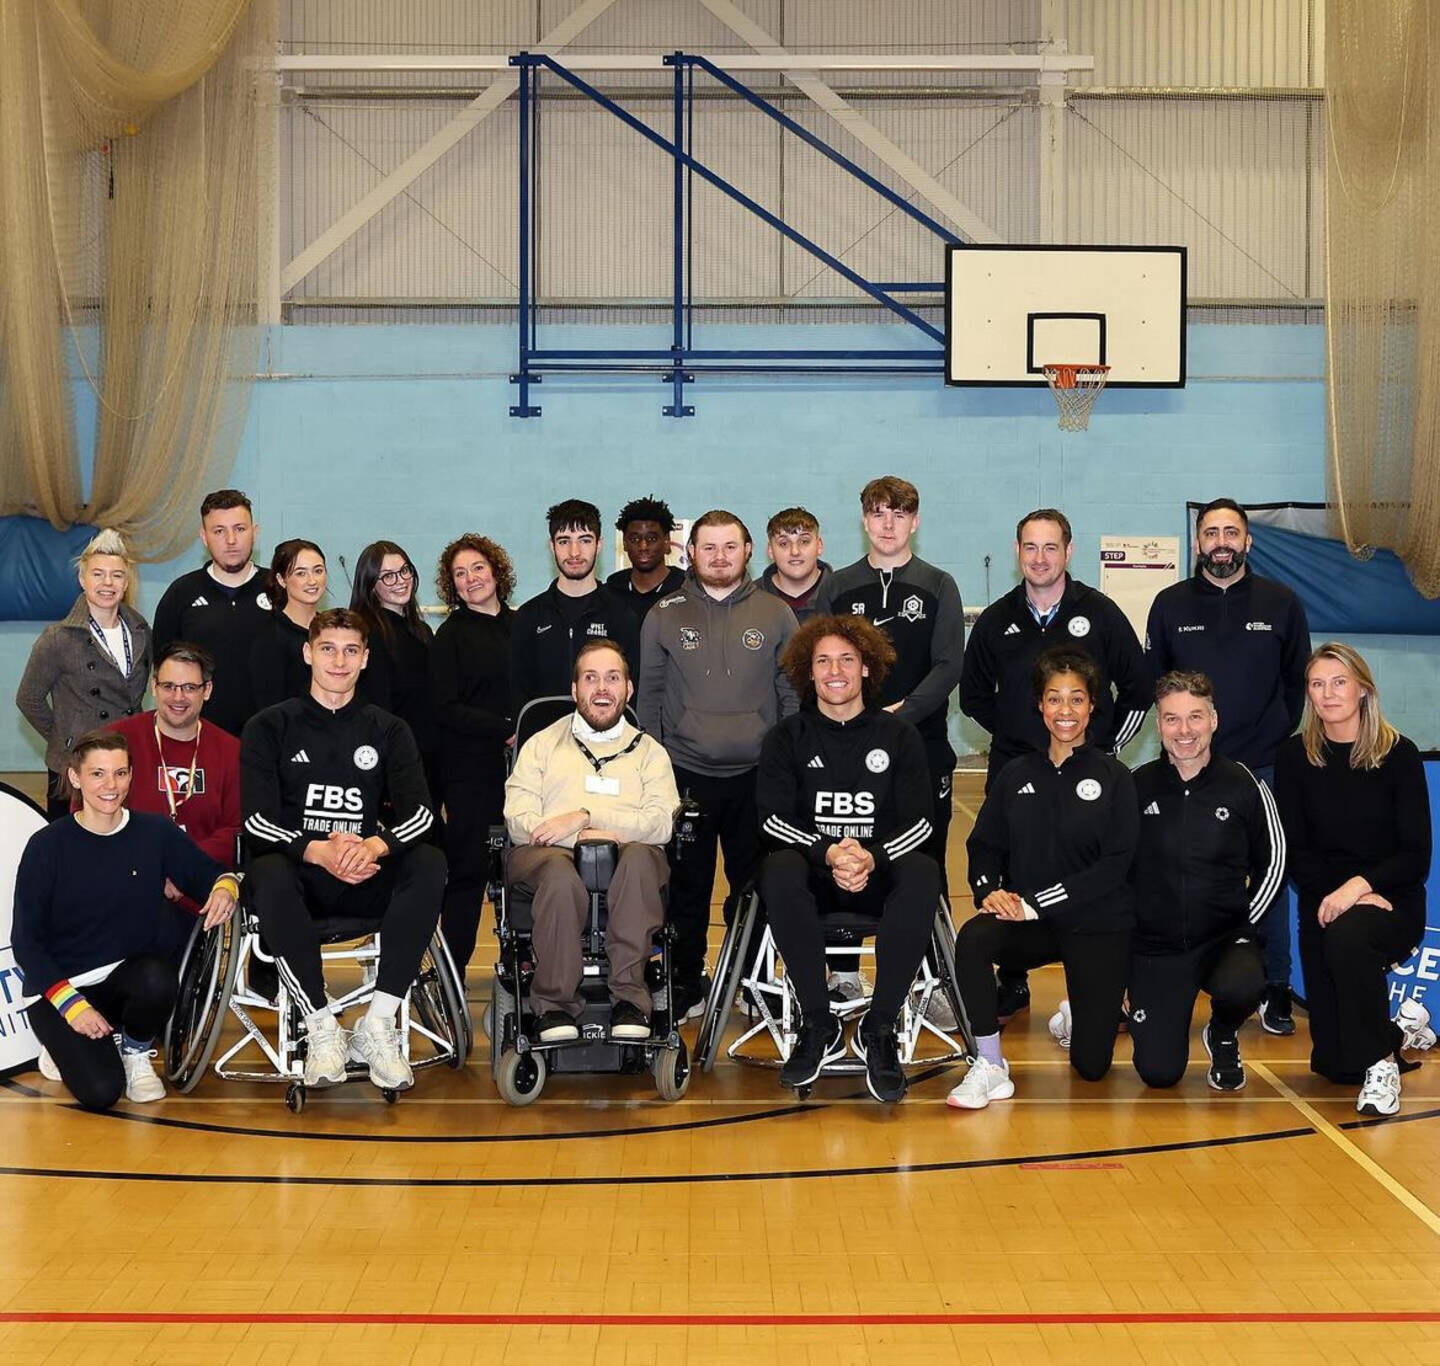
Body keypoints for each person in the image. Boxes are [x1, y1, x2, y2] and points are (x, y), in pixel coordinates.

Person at [241, 608, 445, 1094]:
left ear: (365, 659)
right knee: (265, 870)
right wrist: (315, 850)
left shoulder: (388, 729)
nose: (339, 661)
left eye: (351, 650)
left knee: (429, 862)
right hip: (300, 880)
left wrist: (375, 845)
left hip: (363, 874)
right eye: (328, 649)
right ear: (308, 652)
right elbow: (255, 821)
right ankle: (322, 1028)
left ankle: (377, 1024)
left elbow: (422, 815)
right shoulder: (270, 726)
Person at [960, 507, 1150, 1022]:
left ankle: (1088, 975)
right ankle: (1012, 978)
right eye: (1030, 547)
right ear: (1017, 552)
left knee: (1090, 865)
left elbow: (1138, 686)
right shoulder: (998, 620)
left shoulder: (1101, 612)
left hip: (1088, 765)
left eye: (1050, 547)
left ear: (1068, 551)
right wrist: (1015, 734)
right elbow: (973, 695)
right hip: (1017, 765)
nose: (1040, 558)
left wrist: (1104, 747)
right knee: (1013, 862)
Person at [1145, 498, 1311, 1036]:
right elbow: (1158, 686)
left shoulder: (1283, 603)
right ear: (1198, 543)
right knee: (1173, 871)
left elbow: (1295, 686)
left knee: (1270, 875)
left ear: (1248, 541)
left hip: (1260, 768)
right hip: (1187, 770)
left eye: (1231, 532)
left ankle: (1276, 987)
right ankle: (1169, 974)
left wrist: (1264, 743)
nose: (1221, 541)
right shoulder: (1169, 605)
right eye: (1211, 532)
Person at [756, 615, 937, 1104]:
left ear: (866, 669)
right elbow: (772, 821)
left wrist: (871, 858)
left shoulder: (899, 736)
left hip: (876, 876)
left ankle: (878, 1030)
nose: (835, 670)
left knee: (923, 871)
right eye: (823, 661)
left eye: (847, 660)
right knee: (778, 867)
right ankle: (819, 1025)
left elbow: (921, 823)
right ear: (808, 673)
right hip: (815, 875)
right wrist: (830, 852)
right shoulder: (786, 738)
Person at [948, 647, 1138, 1109]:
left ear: (1093, 705)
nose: (1065, 711)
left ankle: (1079, 1010)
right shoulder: (1016, 774)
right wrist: (990, 889)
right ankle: (990, 1063)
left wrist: (1033, 901)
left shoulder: (1115, 777)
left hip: (1096, 925)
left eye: (1076, 699)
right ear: (1040, 705)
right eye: (1054, 699)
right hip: (1031, 926)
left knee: (1091, 1069)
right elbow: (984, 844)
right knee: (973, 939)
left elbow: (1115, 865)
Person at [13, 730, 238, 1110]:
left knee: (156, 976)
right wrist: (73, 1007)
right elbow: (26, 941)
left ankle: (136, 1050)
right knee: (102, 1094)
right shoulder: (47, 846)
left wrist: (225, 888)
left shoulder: (154, 832)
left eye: (120, 773)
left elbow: (212, 873)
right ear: (75, 777)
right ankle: (63, 1043)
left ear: (132, 776)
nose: (110, 785)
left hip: (127, 980)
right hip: (65, 991)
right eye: (98, 774)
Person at [638, 509, 799, 1021]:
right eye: (708, 547)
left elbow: (791, 695)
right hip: (686, 775)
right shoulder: (664, 613)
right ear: (690, 554)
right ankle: (686, 983)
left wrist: (786, 768)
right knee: (686, 888)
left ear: (748, 550)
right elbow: (651, 698)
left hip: (756, 776)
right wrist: (656, 773)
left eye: (730, 546)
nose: (719, 557)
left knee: (755, 886)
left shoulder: (776, 615)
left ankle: (751, 981)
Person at [1275, 642, 1433, 1117]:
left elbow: (1415, 855)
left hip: (1390, 901)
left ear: (1363, 689)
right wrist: (1337, 896)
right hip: (1324, 903)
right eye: (1317, 684)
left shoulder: (1398, 753)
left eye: (1339, 682)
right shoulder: (1293, 756)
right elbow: (1295, 850)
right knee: (1336, 1064)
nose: (1328, 694)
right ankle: (1401, 1031)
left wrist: (1360, 889)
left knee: (1349, 941)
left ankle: (1383, 1064)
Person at [504, 640, 679, 1041]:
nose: (602, 688)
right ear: (575, 690)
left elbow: (660, 824)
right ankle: (551, 1006)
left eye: (613, 678)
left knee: (638, 859)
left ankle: (631, 1000)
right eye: (591, 678)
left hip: (627, 859)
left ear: (628, 689)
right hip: (547, 857)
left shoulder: (650, 753)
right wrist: (576, 836)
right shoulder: (542, 745)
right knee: (560, 876)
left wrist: (588, 816)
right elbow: (517, 819)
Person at [1128, 672, 1284, 1092]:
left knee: (1244, 983)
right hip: (1155, 947)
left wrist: (1240, 922)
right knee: (1159, 1074)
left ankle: (1224, 1031)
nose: (1184, 731)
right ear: (1158, 724)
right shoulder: (1135, 787)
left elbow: (1274, 862)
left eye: (1195, 717)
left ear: (1213, 719)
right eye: (1172, 719)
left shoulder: (1244, 784)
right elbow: (1114, 872)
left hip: (1222, 940)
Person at [814, 476, 965, 887]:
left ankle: (932, 953)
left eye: (899, 515)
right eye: (878, 514)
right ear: (864, 521)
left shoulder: (938, 585)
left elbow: (949, 664)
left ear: (914, 522)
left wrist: (903, 714)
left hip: (922, 745)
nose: (888, 525)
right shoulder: (837, 586)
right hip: (850, 749)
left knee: (924, 869)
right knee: (847, 869)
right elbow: (825, 665)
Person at [76, 642, 242, 934]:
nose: (178, 697)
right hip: (124, 885)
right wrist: (148, 870)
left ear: (207, 690)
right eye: (169, 686)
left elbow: (235, 828)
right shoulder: (116, 740)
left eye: (190, 687)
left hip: (200, 890)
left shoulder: (231, 751)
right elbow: (85, 812)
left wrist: (184, 870)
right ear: (154, 687)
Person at [16, 528, 152, 819]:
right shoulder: (58, 637)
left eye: (116, 575)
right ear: (82, 579)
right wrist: (65, 738)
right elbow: (28, 699)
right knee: (70, 853)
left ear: (126, 582)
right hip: (74, 766)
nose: (107, 583)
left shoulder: (141, 630)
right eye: (98, 574)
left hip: (125, 762)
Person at [430, 533, 516, 977]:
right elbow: (444, 708)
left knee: (524, 875)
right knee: (467, 874)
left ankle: (524, 973)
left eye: (477, 568)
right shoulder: (450, 636)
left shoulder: (523, 624)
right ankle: (452, 976)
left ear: (496, 570)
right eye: (459, 574)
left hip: (521, 773)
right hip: (470, 773)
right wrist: (503, 729)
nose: (470, 579)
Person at [152, 489, 271, 736]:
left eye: (239, 529)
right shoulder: (181, 594)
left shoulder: (279, 589)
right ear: (204, 537)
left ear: (255, 532)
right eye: (219, 531)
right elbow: (163, 668)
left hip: (270, 738)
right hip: (200, 737)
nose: (231, 540)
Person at [511, 500, 640, 716]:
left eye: (585, 540)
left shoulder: (623, 615)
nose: (574, 552)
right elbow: (518, 694)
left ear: (599, 545)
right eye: (564, 541)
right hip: (544, 742)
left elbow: (630, 692)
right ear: (552, 546)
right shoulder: (528, 617)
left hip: (604, 741)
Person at [349, 540, 436, 790]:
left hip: (426, 754)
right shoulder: (368, 634)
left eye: (404, 570)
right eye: (387, 576)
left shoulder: (421, 631)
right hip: (394, 762)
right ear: (371, 586)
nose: (400, 580)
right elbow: (376, 707)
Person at [249, 539, 328, 712]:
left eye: (318, 571)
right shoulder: (269, 636)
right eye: (301, 573)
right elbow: (268, 708)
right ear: (281, 579)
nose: (312, 581)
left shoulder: (331, 632)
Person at [606, 495, 685, 621]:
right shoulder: (612, 589)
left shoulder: (685, 587)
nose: (643, 546)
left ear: (667, 541)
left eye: (652, 539)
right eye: (635, 539)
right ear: (625, 544)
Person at [760, 506, 833, 624]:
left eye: (804, 541)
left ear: (819, 546)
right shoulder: (752, 599)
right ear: (770, 550)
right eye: (783, 543)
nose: (795, 552)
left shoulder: (843, 594)